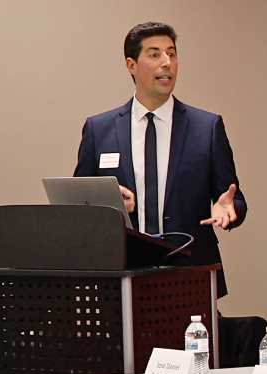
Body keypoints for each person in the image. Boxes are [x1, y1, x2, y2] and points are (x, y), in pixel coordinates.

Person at [73, 21, 246, 298]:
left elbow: (233, 198)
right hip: (122, 276)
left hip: (191, 274)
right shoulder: (99, 130)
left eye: (172, 53)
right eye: (155, 54)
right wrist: (111, 203)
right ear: (131, 65)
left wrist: (230, 210)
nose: (167, 62)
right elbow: (78, 205)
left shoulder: (207, 127)